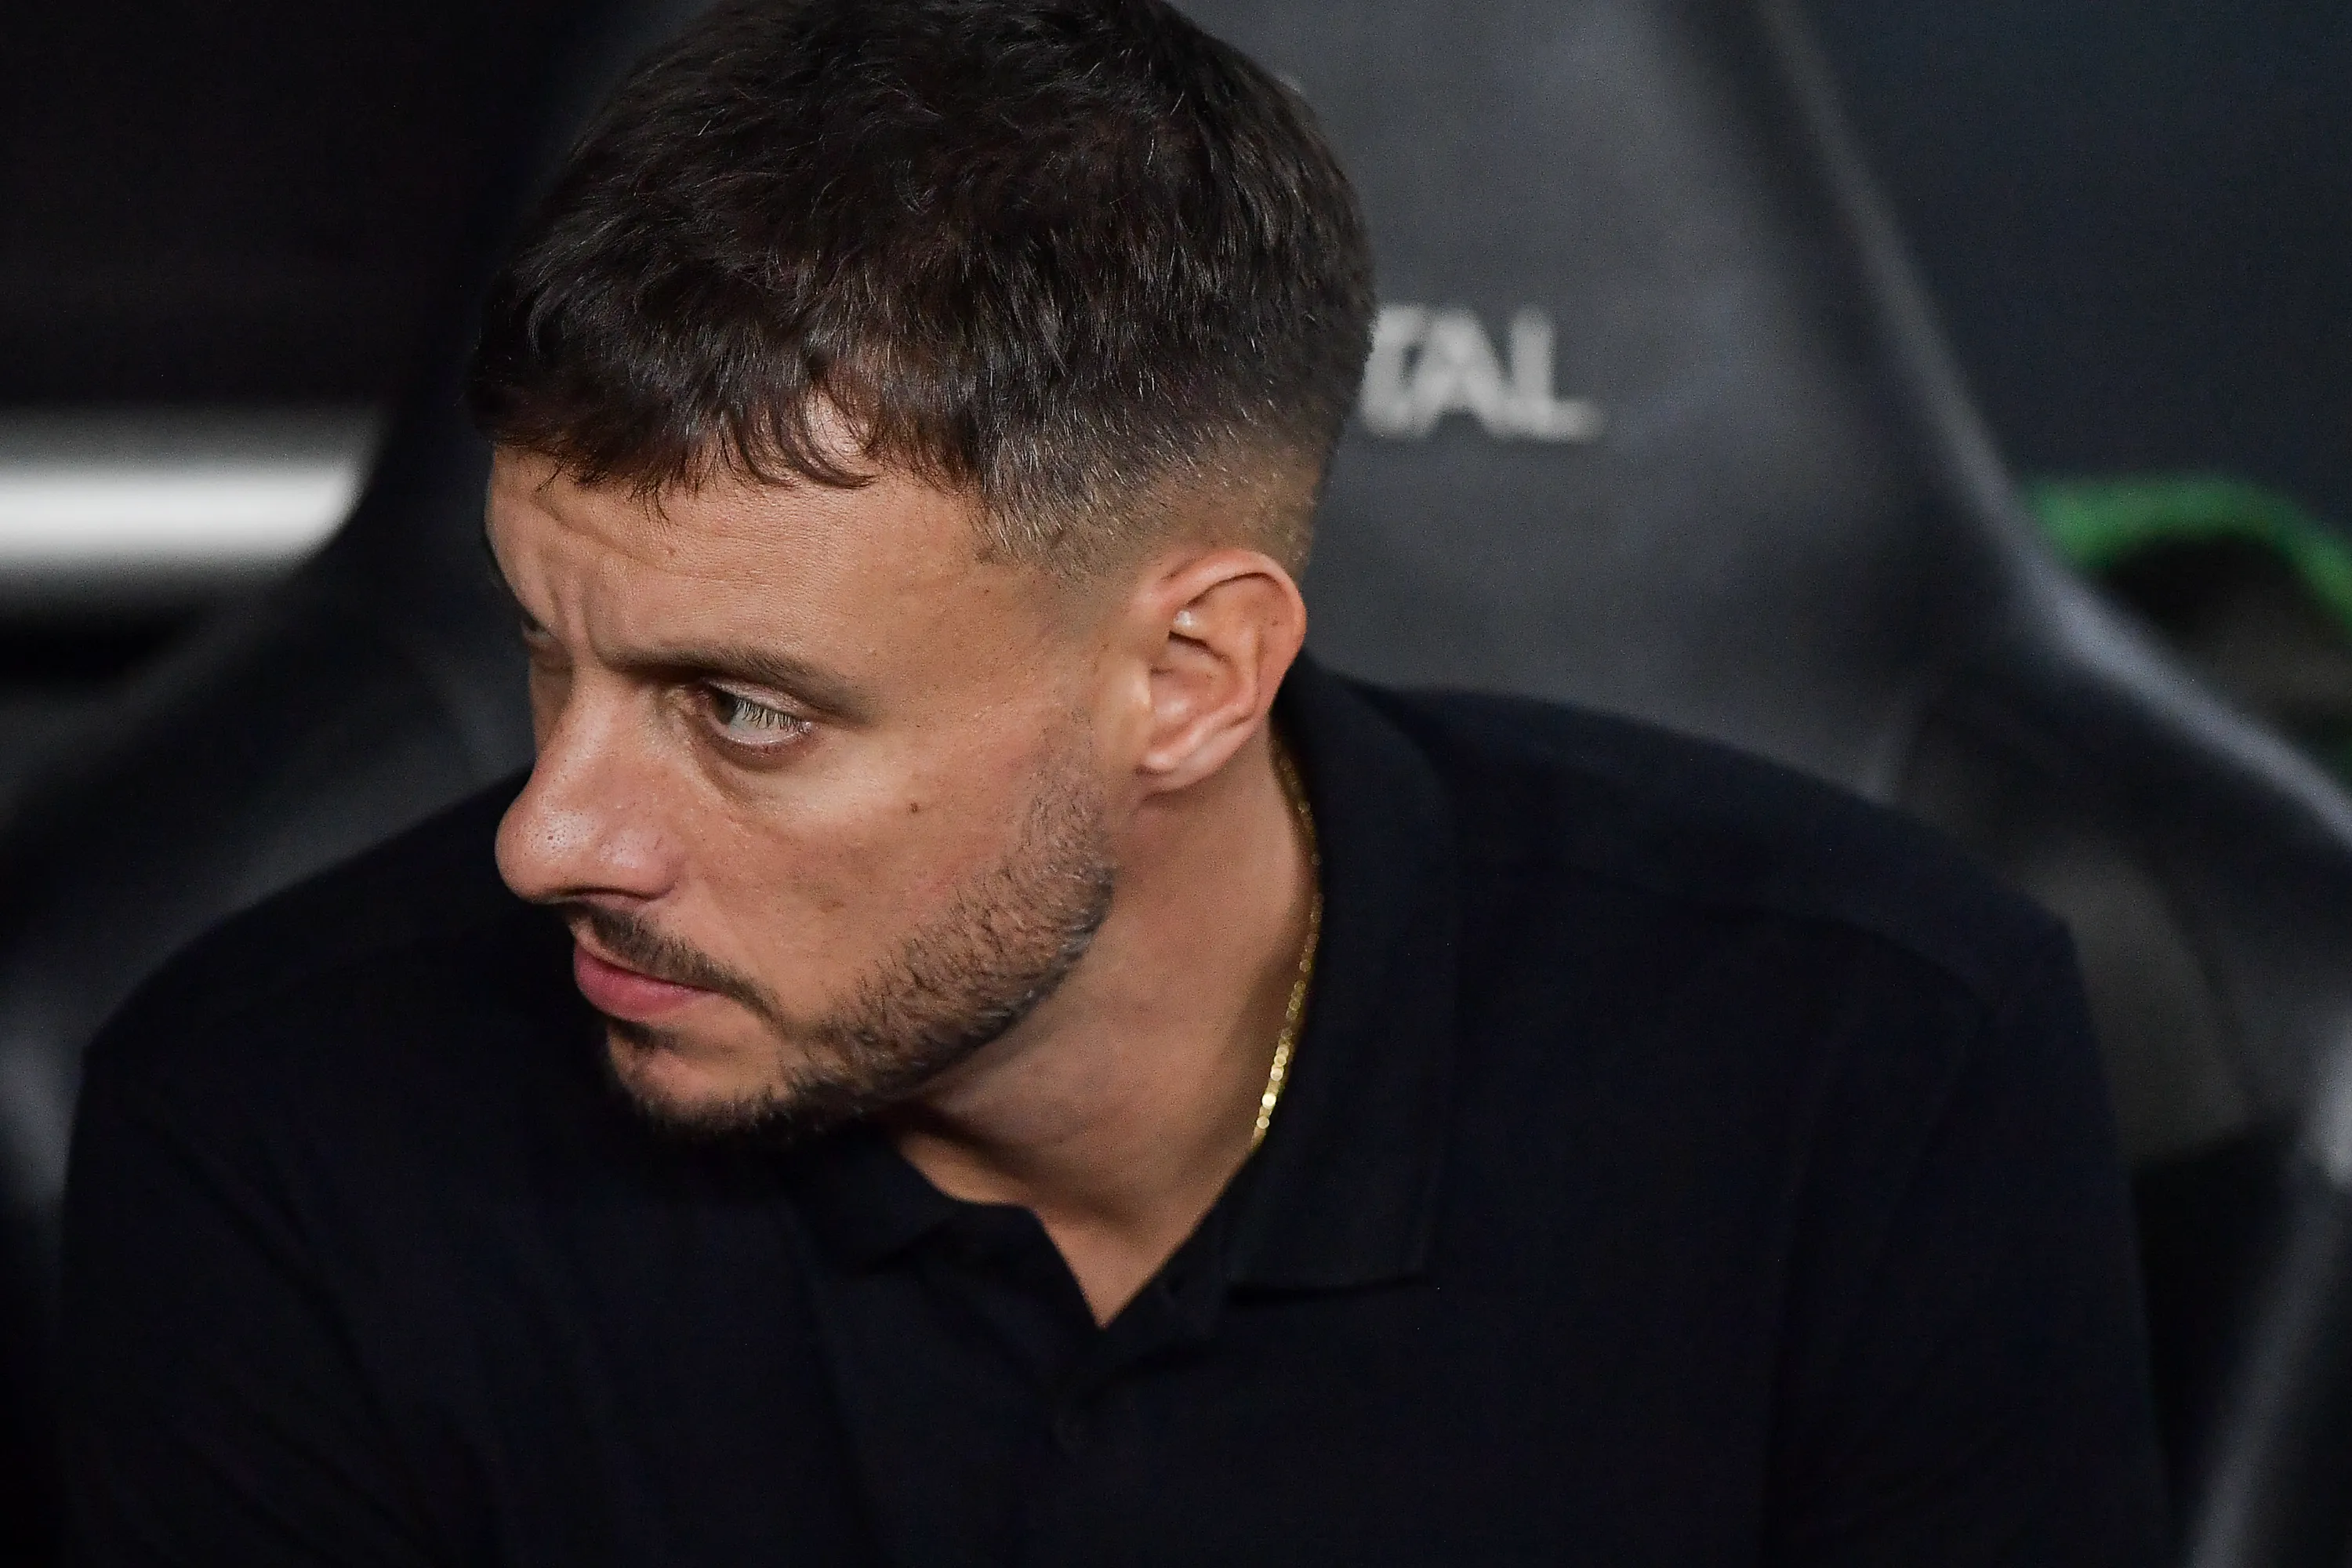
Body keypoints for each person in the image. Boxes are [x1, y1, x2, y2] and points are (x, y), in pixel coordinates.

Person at [60, 0, 2168, 1561]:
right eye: (547, 653)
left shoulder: (1874, 1059)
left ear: (1191, 677)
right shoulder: (281, 1133)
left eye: (746, 712)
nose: (551, 835)